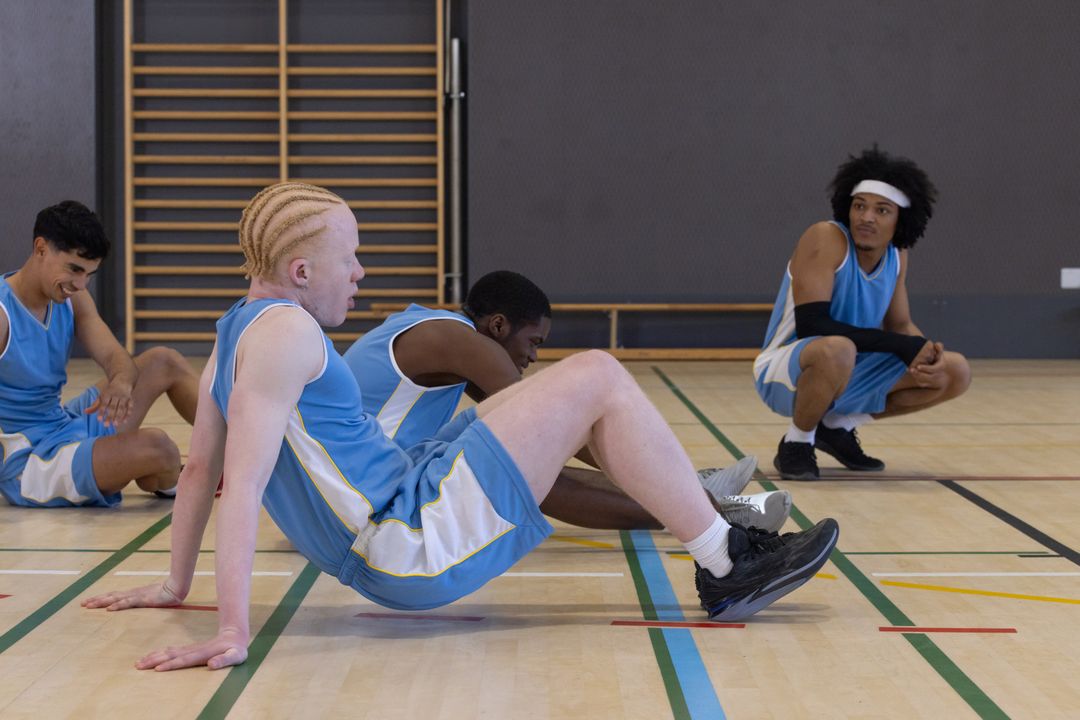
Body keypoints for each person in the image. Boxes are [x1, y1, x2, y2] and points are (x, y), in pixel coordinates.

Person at [83, 182, 838, 671]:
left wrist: (178, 584)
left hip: (400, 510)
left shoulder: (234, 332)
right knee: (599, 375)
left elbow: (199, 471)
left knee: (569, 396)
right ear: (302, 272)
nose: (361, 272)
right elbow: (240, 486)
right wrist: (231, 631)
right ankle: (724, 557)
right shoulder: (289, 333)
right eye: (350, 258)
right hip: (405, 540)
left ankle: (713, 524)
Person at [343, 270, 788, 531]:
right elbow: (560, 428)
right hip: (365, 495)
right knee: (523, 470)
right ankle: (702, 510)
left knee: (523, 454)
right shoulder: (461, 342)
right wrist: (665, 478)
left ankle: (690, 496)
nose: (534, 357)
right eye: (533, 341)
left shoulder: (440, 331)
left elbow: (554, 431)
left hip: (366, 476)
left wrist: (663, 476)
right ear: (498, 326)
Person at [754, 147, 971, 480]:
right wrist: (902, 346)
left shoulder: (897, 254)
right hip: (786, 368)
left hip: (849, 363)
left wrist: (926, 354)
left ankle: (836, 426)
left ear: (900, 220)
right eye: (859, 206)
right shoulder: (826, 237)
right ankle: (797, 443)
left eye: (881, 210)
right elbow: (813, 324)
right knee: (838, 348)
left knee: (955, 371)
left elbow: (900, 325)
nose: (866, 217)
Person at [0, 201, 200, 507]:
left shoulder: (74, 297)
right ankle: (170, 479)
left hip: (63, 424)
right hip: (30, 461)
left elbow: (115, 357)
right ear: (41, 249)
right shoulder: (3, 314)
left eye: (89, 274)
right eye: (74, 269)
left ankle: (248, 457)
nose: (80, 284)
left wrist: (120, 382)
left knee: (164, 361)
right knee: (159, 448)